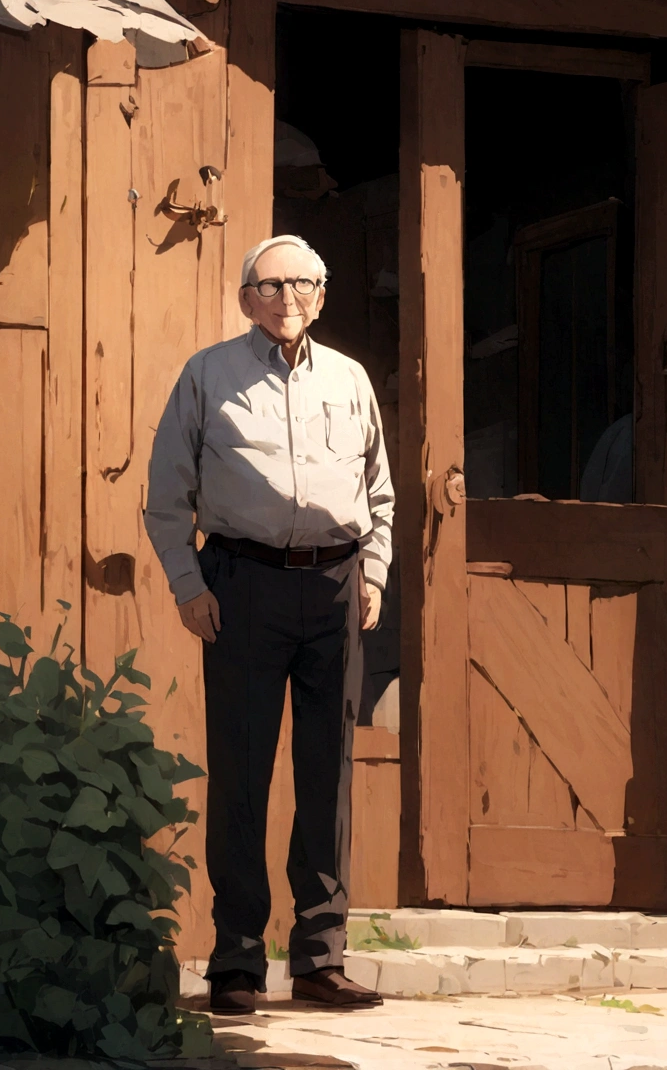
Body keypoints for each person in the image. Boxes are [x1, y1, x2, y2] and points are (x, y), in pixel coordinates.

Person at [144, 233, 394, 1014]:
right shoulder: (207, 375)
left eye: (304, 285)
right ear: (247, 296)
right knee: (244, 773)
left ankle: (321, 957)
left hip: (335, 589)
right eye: (272, 285)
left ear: (322, 295)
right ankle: (237, 962)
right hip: (242, 585)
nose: (289, 299)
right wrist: (189, 584)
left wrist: (375, 572)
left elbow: (379, 493)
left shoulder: (351, 380)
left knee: (328, 776)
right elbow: (164, 496)